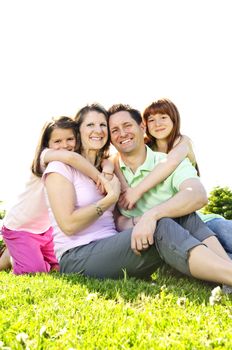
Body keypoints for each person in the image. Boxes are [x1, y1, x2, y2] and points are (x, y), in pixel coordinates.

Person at [43, 103, 232, 287]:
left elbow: (118, 220)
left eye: (102, 125)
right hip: (77, 256)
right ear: (78, 131)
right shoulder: (60, 168)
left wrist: (145, 218)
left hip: (115, 246)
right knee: (162, 225)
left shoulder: (106, 168)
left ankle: (227, 273)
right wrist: (110, 199)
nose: (98, 130)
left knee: (177, 214)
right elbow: (68, 225)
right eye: (90, 125)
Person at [118, 98, 232, 257]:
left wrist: (136, 191)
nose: (157, 123)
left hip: (198, 218)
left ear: (174, 119)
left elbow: (169, 163)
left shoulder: (181, 143)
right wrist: (124, 186)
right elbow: (116, 158)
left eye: (163, 117)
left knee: (225, 233)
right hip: (175, 225)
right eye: (151, 120)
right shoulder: (145, 148)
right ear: (144, 125)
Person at [0, 116, 109, 274]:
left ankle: (15, 252)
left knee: (58, 267)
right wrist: (101, 179)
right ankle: (11, 257)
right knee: (35, 271)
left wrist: (108, 167)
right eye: (57, 141)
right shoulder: (44, 157)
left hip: (46, 230)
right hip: (22, 227)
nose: (64, 145)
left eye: (69, 139)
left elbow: (105, 159)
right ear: (47, 144)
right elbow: (71, 157)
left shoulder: (75, 164)